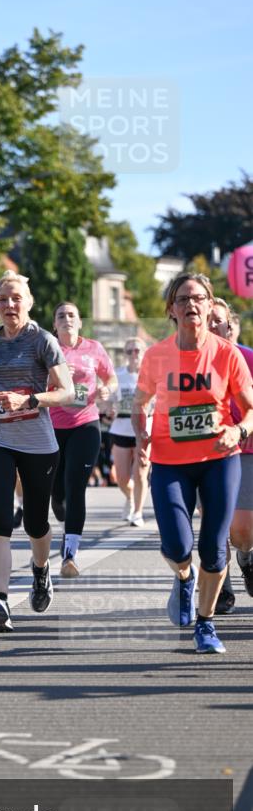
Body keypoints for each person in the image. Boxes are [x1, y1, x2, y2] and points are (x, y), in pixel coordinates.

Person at [132, 273, 253, 654]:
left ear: (209, 304)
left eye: (199, 298)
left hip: (220, 459)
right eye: (183, 299)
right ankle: (185, 578)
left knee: (215, 548)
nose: (191, 305)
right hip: (169, 461)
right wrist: (141, 434)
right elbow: (139, 403)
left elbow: (251, 409)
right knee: (177, 546)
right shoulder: (156, 355)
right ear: (171, 309)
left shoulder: (226, 354)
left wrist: (239, 430)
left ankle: (206, 623)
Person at [0, 272, 74, 633]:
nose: (9, 305)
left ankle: (40, 569)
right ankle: (0, 600)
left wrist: (29, 400)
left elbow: (68, 391)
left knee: (37, 523)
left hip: (38, 443)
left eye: (16, 298)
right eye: (2, 299)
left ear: (29, 302)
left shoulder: (43, 341)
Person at [50, 302, 118, 576]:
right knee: (57, 493)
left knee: (75, 487)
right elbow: (32, 382)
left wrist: (106, 389)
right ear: (54, 324)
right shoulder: (47, 348)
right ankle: (62, 517)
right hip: (52, 427)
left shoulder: (94, 348)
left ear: (79, 322)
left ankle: (70, 555)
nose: (67, 319)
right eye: (61, 315)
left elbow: (111, 378)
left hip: (85, 424)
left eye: (71, 315)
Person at [208, 298, 253, 612]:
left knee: (242, 531)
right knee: (215, 522)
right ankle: (220, 585)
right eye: (207, 319)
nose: (212, 325)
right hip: (204, 453)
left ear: (229, 326)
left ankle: (246, 557)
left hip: (245, 448)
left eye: (218, 320)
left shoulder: (248, 358)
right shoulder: (185, 360)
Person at [109, 337, 151, 526]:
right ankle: (130, 496)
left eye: (137, 350)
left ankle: (138, 512)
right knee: (122, 478)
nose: (134, 354)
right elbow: (108, 400)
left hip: (144, 428)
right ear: (125, 354)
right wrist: (109, 408)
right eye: (129, 351)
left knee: (141, 472)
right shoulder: (118, 375)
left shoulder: (151, 374)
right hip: (121, 427)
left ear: (144, 353)